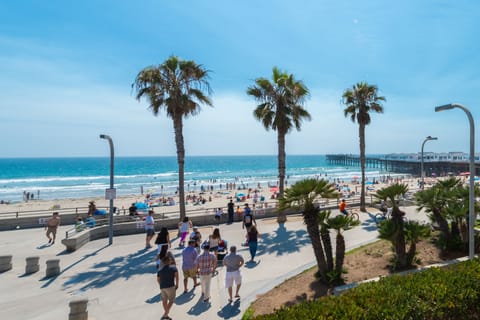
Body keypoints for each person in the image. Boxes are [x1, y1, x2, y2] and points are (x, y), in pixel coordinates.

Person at [157, 255, 179, 320]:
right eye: (170, 259)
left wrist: (161, 285)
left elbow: (158, 279)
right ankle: (165, 314)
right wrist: (177, 285)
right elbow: (177, 277)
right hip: (170, 286)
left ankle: (166, 315)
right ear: (169, 261)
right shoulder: (173, 268)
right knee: (171, 300)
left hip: (162, 287)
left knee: (164, 301)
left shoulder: (160, 270)